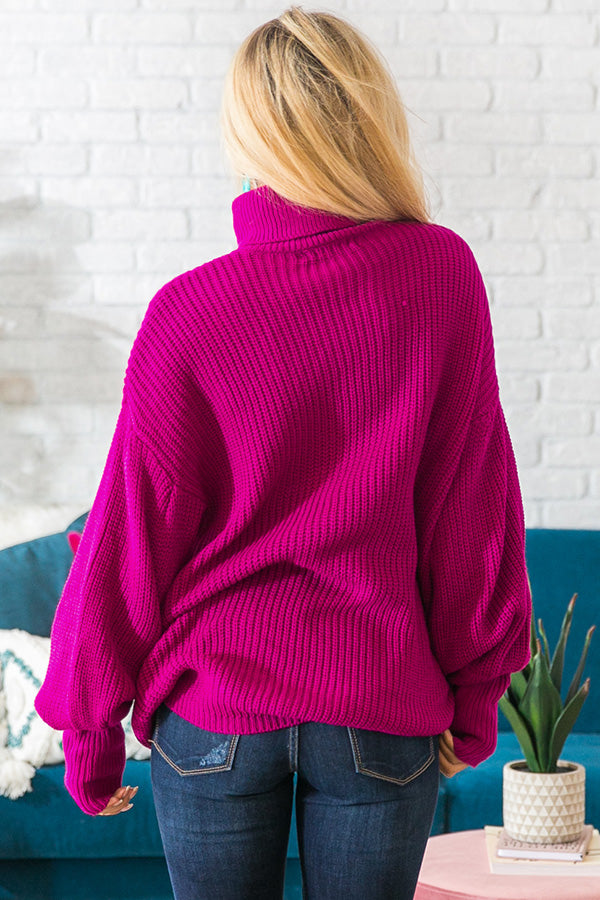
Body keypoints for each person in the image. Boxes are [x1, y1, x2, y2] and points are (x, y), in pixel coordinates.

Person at [35, 6, 532, 899]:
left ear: (249, 135)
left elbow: (131, 533)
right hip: (379, 703)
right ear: (370, 121)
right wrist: (474, 696)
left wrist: (90, 728)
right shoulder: (440, 276)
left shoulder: (188, 312)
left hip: (213, 710)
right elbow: (471, 509)